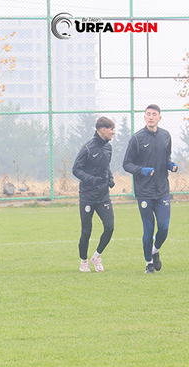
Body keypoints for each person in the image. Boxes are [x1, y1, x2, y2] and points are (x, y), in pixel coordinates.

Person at [123, 104, 178, 274]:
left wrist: (171, 165)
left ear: (159, 118)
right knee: (148, 229)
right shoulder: (137, 138)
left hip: (162, 190)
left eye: (154, 114)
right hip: (144, 192)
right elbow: (126, 164)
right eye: (148, 114)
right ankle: (148, 263)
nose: (151, 117)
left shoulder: (166, 136)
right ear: (145, 117)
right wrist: (142, 170)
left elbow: (166, 157)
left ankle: (155, 250)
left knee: (164, 227)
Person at [72, 117, 116, 273]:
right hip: (87, 196)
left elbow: (106, 166)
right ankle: (84, 261)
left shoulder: (108, 148)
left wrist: (110, 178)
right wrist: (91, 179)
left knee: (109, 227)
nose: (113, 132)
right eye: (111, 129)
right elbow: (76, 169)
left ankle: (96, 256)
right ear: (103, 130)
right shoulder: (87, 148)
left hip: (103, 195)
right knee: (86, 230)